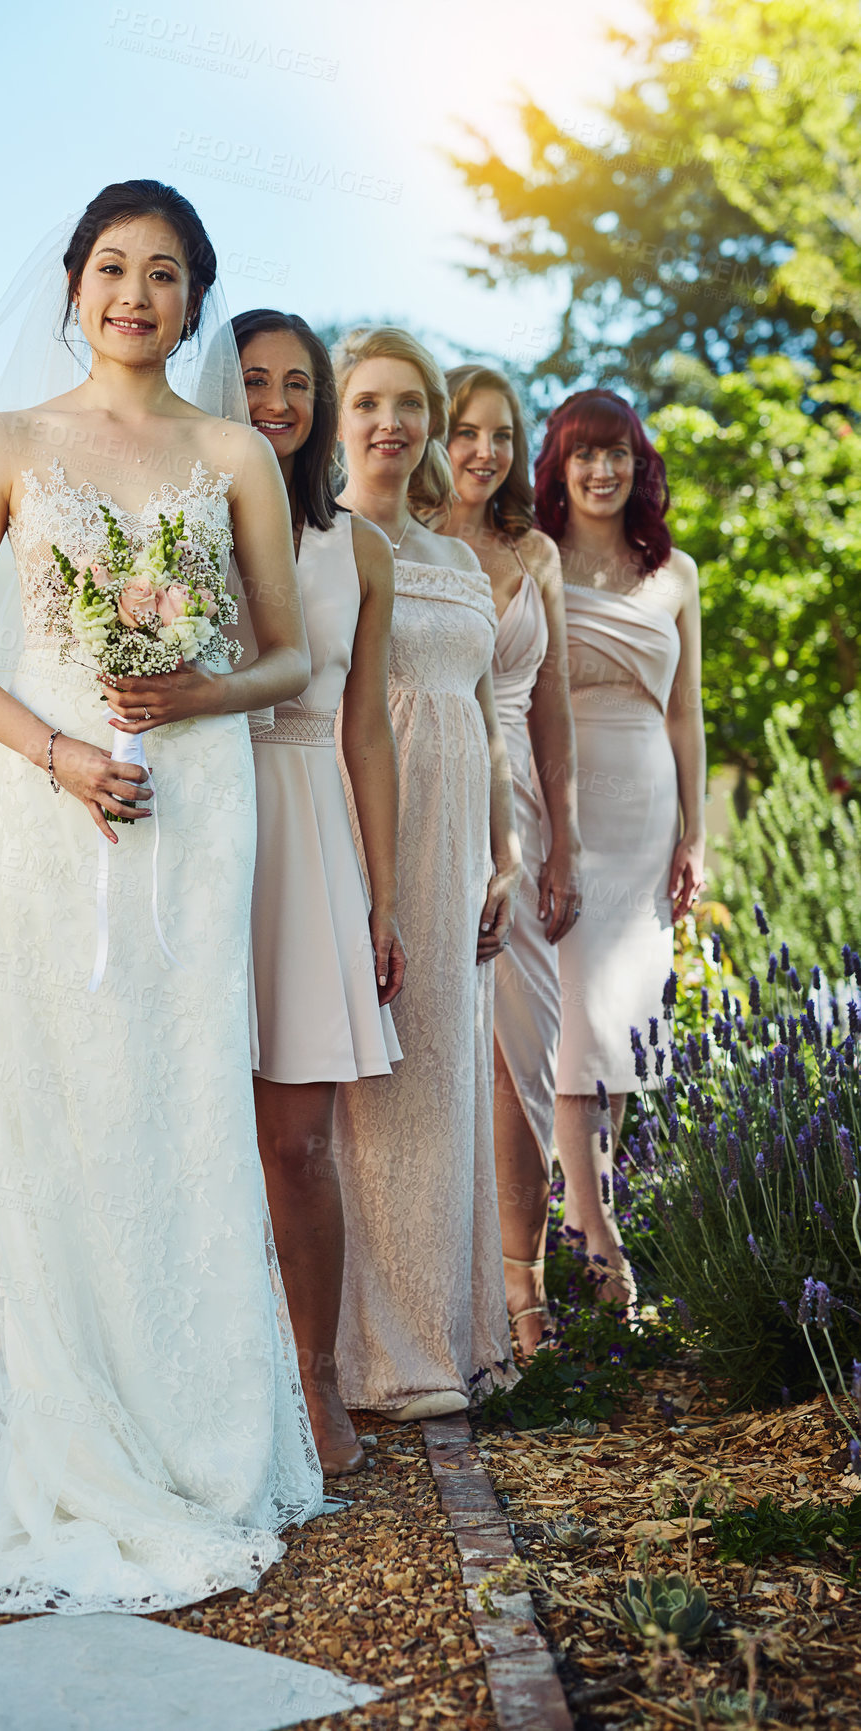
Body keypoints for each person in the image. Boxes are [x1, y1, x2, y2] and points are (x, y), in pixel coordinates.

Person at [0, 181, 325, 1628]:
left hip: (195, 804)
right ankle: (71, 1429)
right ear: (74, 283)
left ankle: (206, 1439)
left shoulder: (231, 452)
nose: (135, 295)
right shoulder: (10, 444)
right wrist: (56, 754)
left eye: (165, 274)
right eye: (112, 267)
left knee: (179, 1096)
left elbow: (285, 659)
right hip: (55, 804)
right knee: (65, 1096)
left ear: (195, 299)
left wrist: (194, 693)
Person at [331, 326, 521, 1418]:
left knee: (445, 1076)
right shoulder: (322, 543)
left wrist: (503, 858)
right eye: (367, 403)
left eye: (408, 404)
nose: (388, 424)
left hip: (459, 850)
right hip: (367, 826)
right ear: (340, 417)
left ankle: (450, 1338)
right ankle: (373, 1356)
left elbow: (486, 724)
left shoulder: (454, 559)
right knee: (371, 1085)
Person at [232, 309, 404, 1478]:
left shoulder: (358, 552)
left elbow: (367, 737)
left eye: (300, 383)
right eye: (253, 379)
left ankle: (315, 1379)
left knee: (298, 1144)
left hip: (306, 833)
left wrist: (381, 897)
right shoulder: (180, 525)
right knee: (186, 1129)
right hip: (198, 818)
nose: (279, 403)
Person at [534, 389, 706, 1310]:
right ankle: (599, 1243)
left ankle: (585, 1218)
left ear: (641, 468)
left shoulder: (675, 572)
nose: (603, 470)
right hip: (563, 805)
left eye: (620, 455)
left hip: (646, 814)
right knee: (578, 1028)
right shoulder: (539, 559)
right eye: (585, 454)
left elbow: (687, 710)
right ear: (559, 466)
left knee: (628, 1031)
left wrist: (696, 832)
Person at [441, 365, 582, 1357]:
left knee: (519, 1062)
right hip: (424, 806)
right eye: (463, 430)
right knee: (428, 1058)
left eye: (499, 433)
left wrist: (561, 845)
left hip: (521, 822)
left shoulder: (532, 550)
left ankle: (523, 1293)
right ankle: (432, 1294)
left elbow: (553, 710)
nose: (482, 450)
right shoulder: (387, 542)